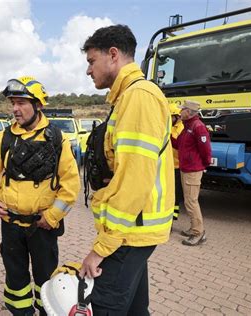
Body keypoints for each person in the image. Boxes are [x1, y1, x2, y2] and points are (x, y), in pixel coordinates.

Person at [79, 25, 175, 315]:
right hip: (133, 231)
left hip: (128, 233)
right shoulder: (128, 97)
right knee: (135, 309)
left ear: (113, 55)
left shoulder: (138, 97)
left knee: (106, 306)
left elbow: (134, 179)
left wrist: (101, 249)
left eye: (91, 61)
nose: (88, 71)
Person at [0, 76, 80, 315]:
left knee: (46, 277)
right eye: (13, 103)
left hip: (43, 227)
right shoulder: (5, 138)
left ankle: (46, 311)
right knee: (15, 278)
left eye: (21, 103)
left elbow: (71, 184)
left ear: (38, 105)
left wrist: (52, 216)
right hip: (10, 225)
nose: (15, 109)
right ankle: (20, 312)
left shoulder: (57, 139)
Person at [171, 100, 212, 246]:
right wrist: (168, 135)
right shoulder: (187, 126)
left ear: (189, 112)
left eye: (182, 110)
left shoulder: (198, 127)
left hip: (193, 170)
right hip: (186, 168)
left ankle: (198, 233)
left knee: (191, 202)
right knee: (189, 201)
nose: (179, 112)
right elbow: (178, 145)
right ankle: (194, 228)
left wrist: (203, 165)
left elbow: (206, 150)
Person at [170, 103, 184, 222]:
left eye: (170, 116)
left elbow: (180, 145)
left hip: (177, 166)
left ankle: (172, 219)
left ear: (177, 116)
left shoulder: (182, 129)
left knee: (175, 194)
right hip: (166, 165)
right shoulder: (166, 126)